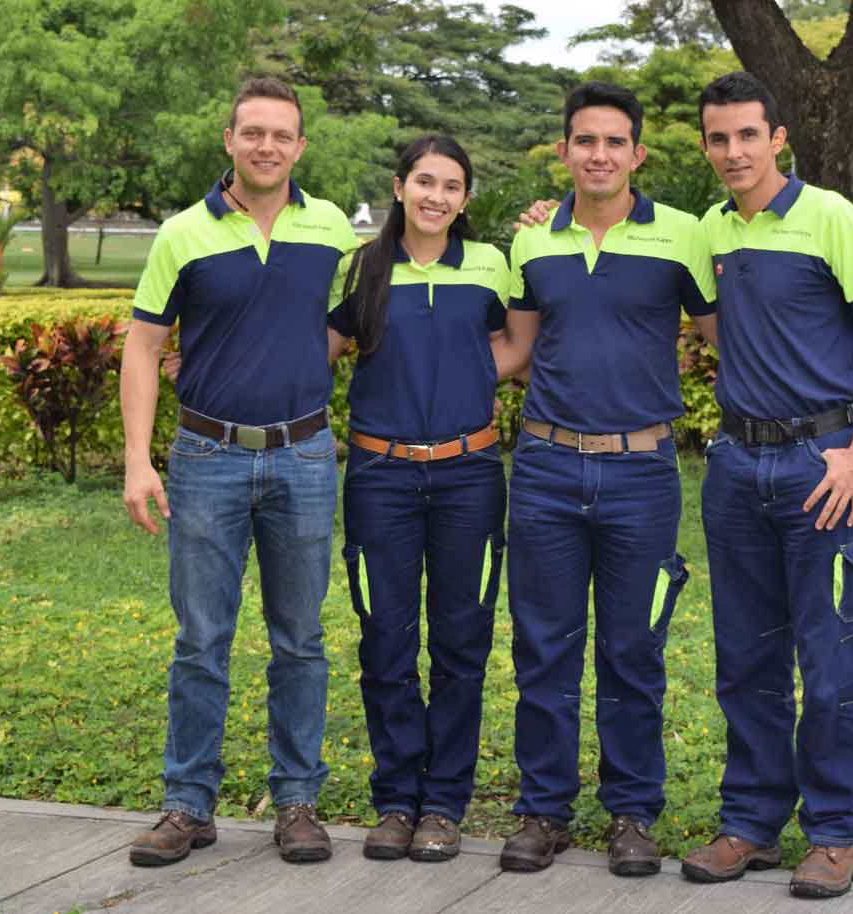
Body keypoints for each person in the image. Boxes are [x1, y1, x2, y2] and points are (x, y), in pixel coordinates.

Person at [679, 71, 853, 898]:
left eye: (748, 134)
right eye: (718, 137)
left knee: (831, 657)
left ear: (778, 138)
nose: (733, 151)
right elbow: (710, 323)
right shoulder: (705, 231)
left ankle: (836, 834)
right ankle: (750, 823)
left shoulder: (829, 215)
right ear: (705, 146)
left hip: (825, 467)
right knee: (745, 660)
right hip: (736, 467)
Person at [120, 77, 356, 867]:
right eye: (252, 132)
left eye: (281, 135)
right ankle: (188, 805)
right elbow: (145, 347)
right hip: (205, 458)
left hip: (306, 456)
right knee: (201, 640)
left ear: (299, 146)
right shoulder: (183, 233)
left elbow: (368, 306)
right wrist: (136, 460)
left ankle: (296, 801)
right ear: (229, 140)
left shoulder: (329, 227)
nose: (267, 146)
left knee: (300, 640)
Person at [491, 81, 718, 877]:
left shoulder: (684, 237)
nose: (598, 154)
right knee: (543, 647)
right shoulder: (532, 243)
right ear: (564, 151)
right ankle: (544, 810)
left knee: (633, 650)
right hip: (547, 466)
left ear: (637, 154)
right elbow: (513, 355)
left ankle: (631, 813)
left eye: (614, 142)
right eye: (584, 140)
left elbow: (729, 334)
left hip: (642, 470)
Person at [328, 135, 510, 863]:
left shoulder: (493, 263)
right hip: (380, 478)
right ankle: (397, 799)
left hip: (470, 477)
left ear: (466, 199)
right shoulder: (360, 267)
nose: (437, 196)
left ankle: (444, 804)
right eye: (425, 182)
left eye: (452, 186)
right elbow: (318, 350)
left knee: (463, 642)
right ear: (399, 186)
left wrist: (463, 379)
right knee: (386, 640)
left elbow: (517, 346)